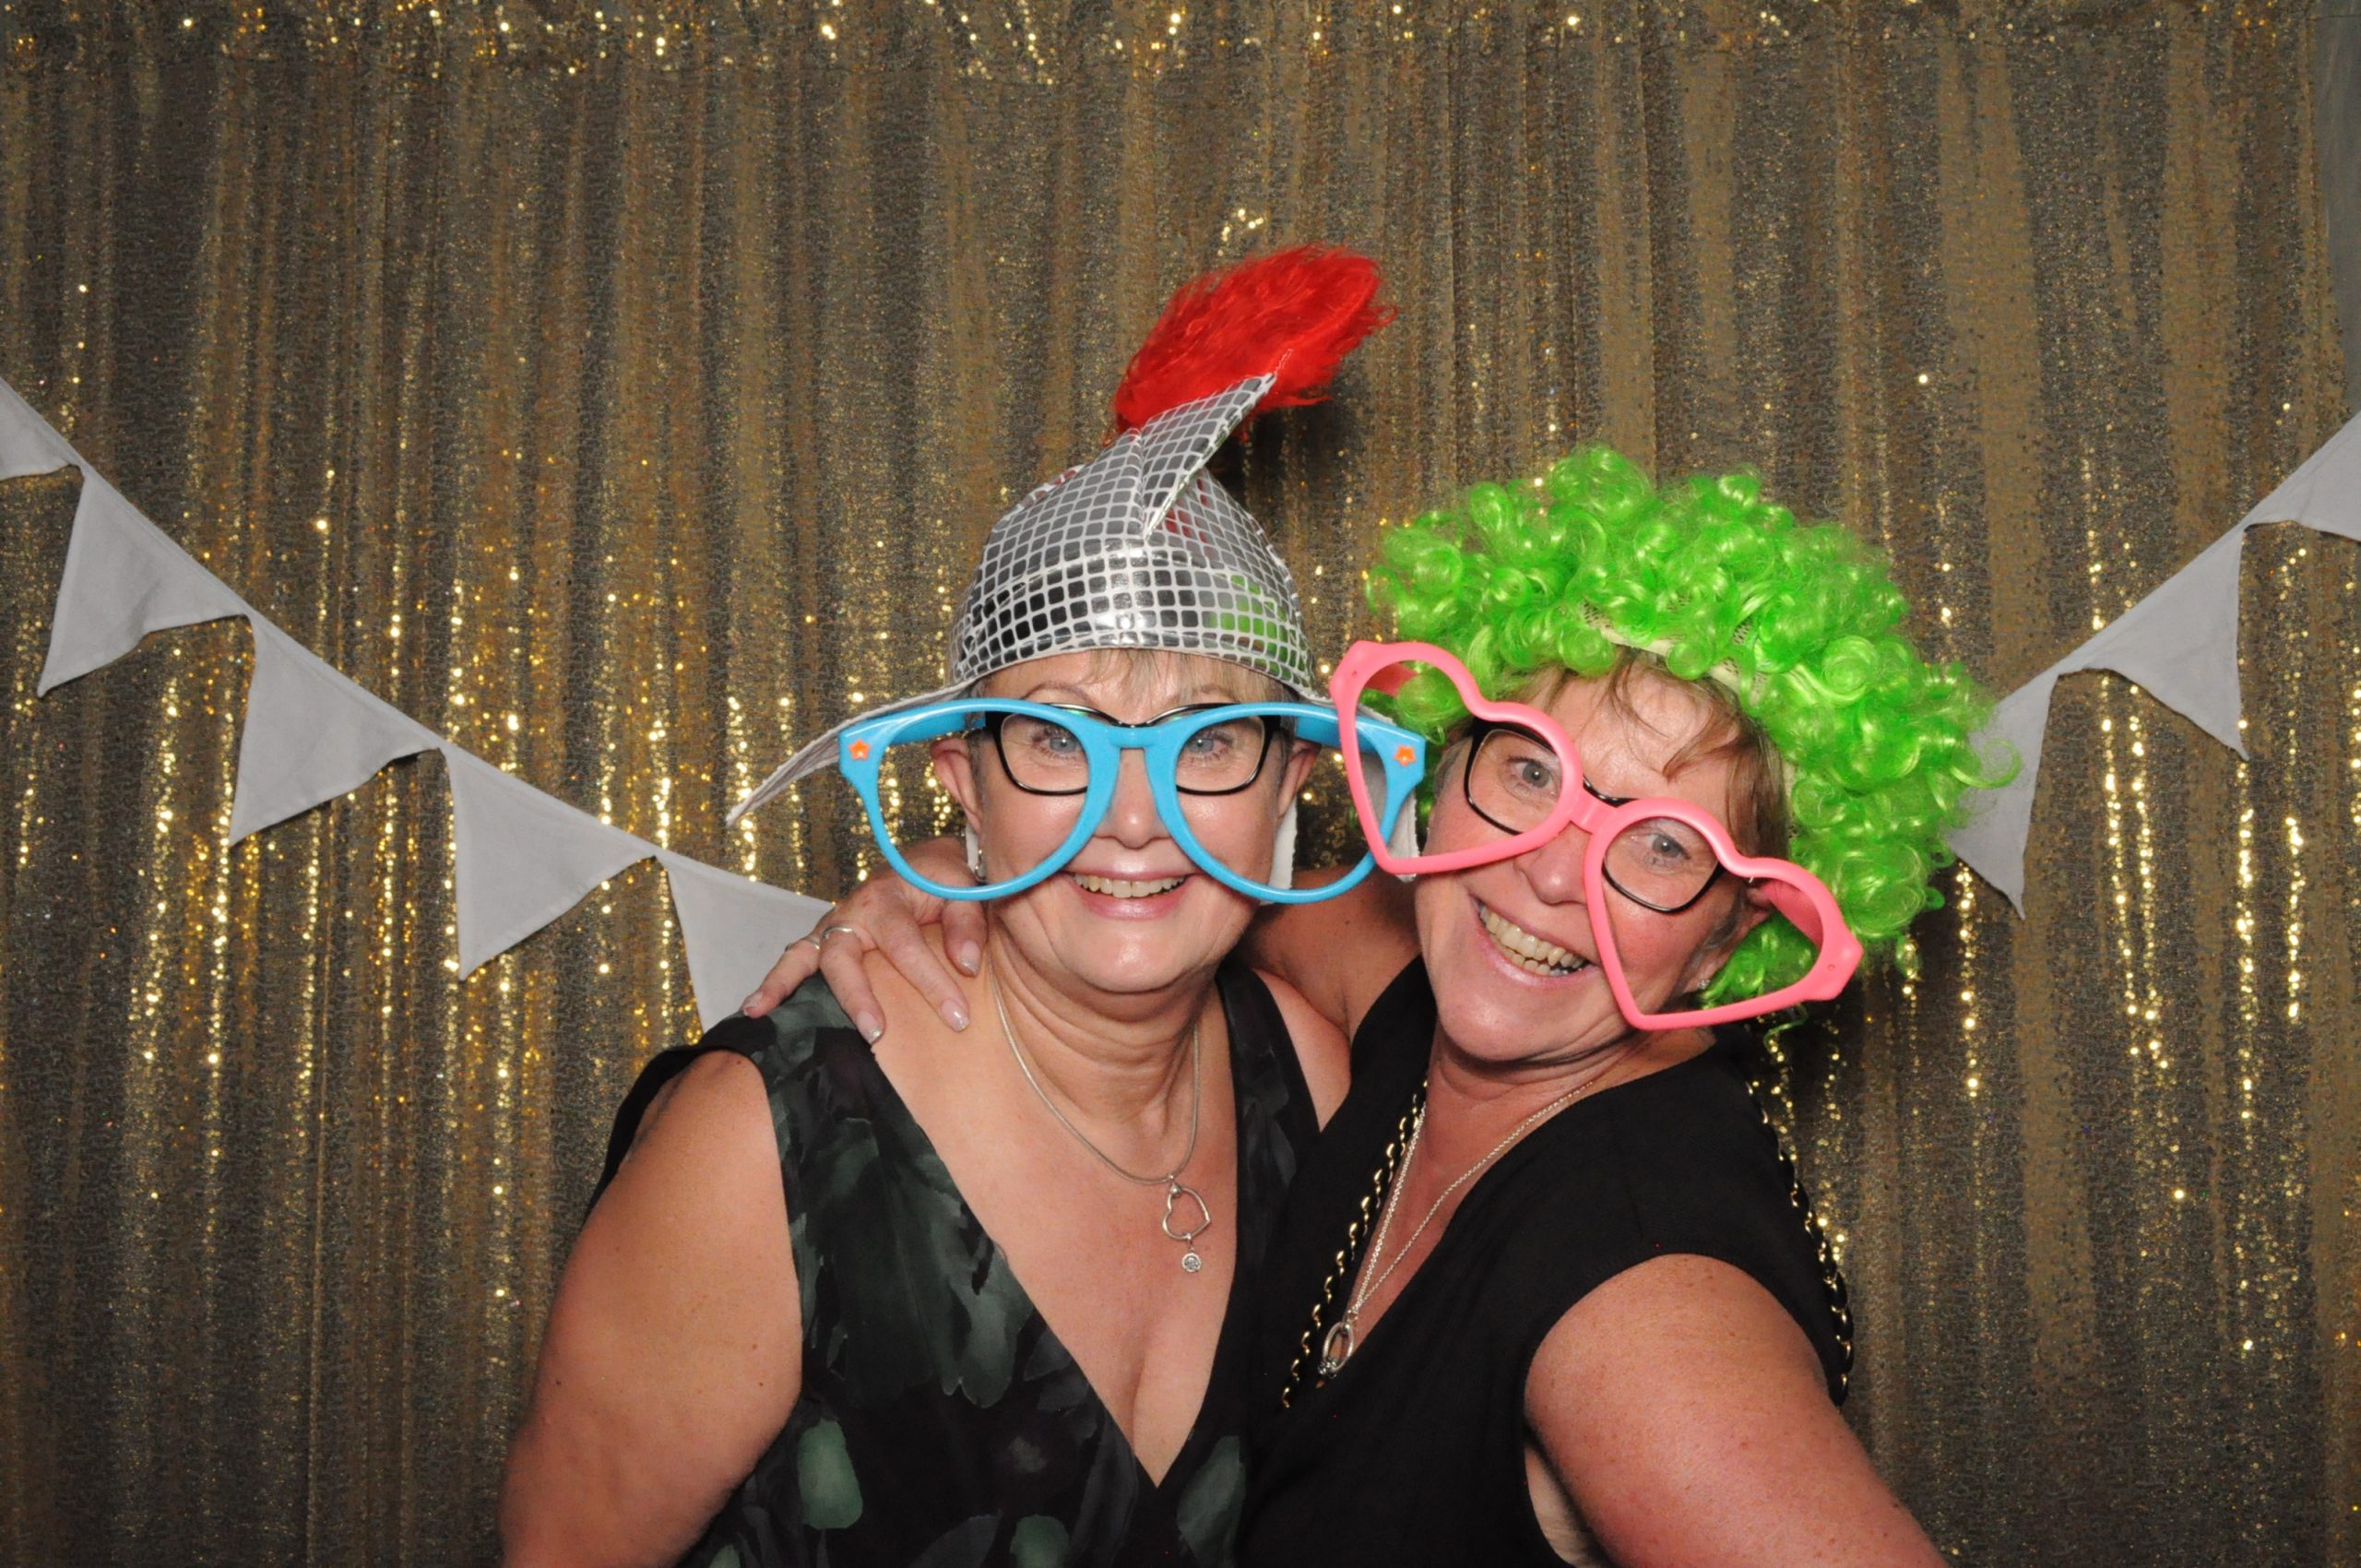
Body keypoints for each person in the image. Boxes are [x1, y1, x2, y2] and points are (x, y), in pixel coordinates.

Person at [745, 445, 2005, 1565]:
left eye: (1666, 847)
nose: (1552, 875)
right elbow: (1180, 873)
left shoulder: (1649, 1301)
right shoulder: (1415, 989)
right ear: (1437, 776)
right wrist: (964, 864)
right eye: (1529, 772)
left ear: (1734, 938)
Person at [496, 248, 1409, 1567]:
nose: (1135, 815)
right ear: (963, 786)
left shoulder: (1314, 1084)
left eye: (1209, 740)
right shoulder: (765, 1143)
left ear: (1291, 785)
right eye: (1056, 740)